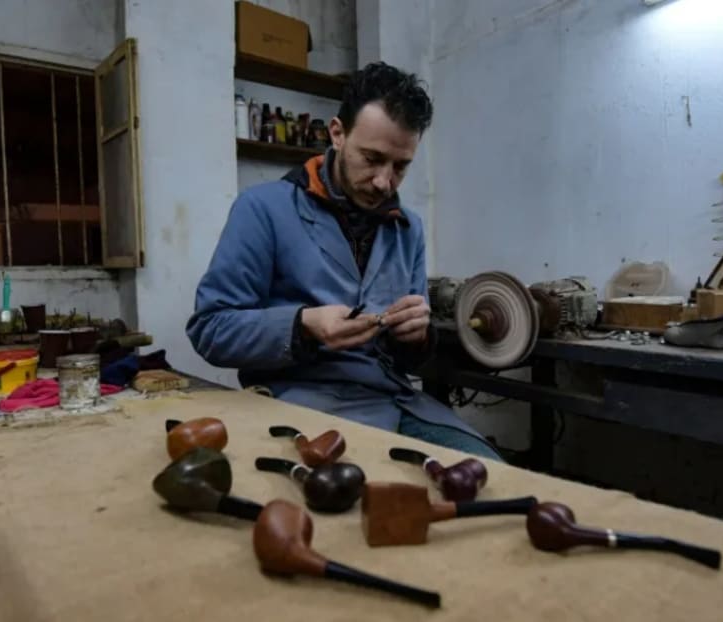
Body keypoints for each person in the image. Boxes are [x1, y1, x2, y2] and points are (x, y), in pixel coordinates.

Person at [187, 62, 501, 460]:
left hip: (394, 399)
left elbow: (412, 358)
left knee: (491, 471)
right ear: (337, 133)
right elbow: (210, 329)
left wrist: (417, 336)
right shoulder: (263, 209)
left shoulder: (408, 229)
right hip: (299, 401)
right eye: (372, 158)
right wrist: (303, 326)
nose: (385, 182)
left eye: (400, 166)